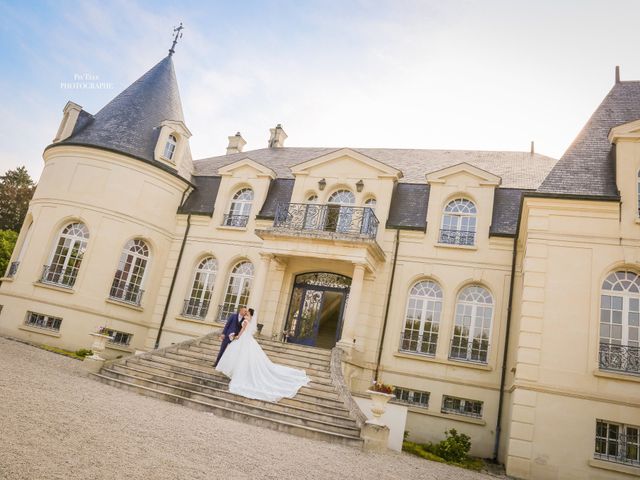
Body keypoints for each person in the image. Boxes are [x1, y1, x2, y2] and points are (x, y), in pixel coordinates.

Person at [216, 308, 310, 402]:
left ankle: (238, 372)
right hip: (248, 339)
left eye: (247, 312)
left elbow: (243, 330)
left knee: (241, 355)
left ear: (249, 314)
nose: (245, 313)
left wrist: (237, 336)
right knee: (244, 356)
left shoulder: (245, 320)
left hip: (243, 339)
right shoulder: (249, 320)